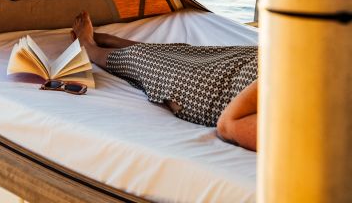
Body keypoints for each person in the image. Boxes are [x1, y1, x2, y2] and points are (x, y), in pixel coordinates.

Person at [71, 11, 258, 151]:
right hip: (253, 66)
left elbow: (228, 125)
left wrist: (271, 80)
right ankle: (123, 44)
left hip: (218, 91)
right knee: (191, 52)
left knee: (143, 60)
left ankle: (89, 47)